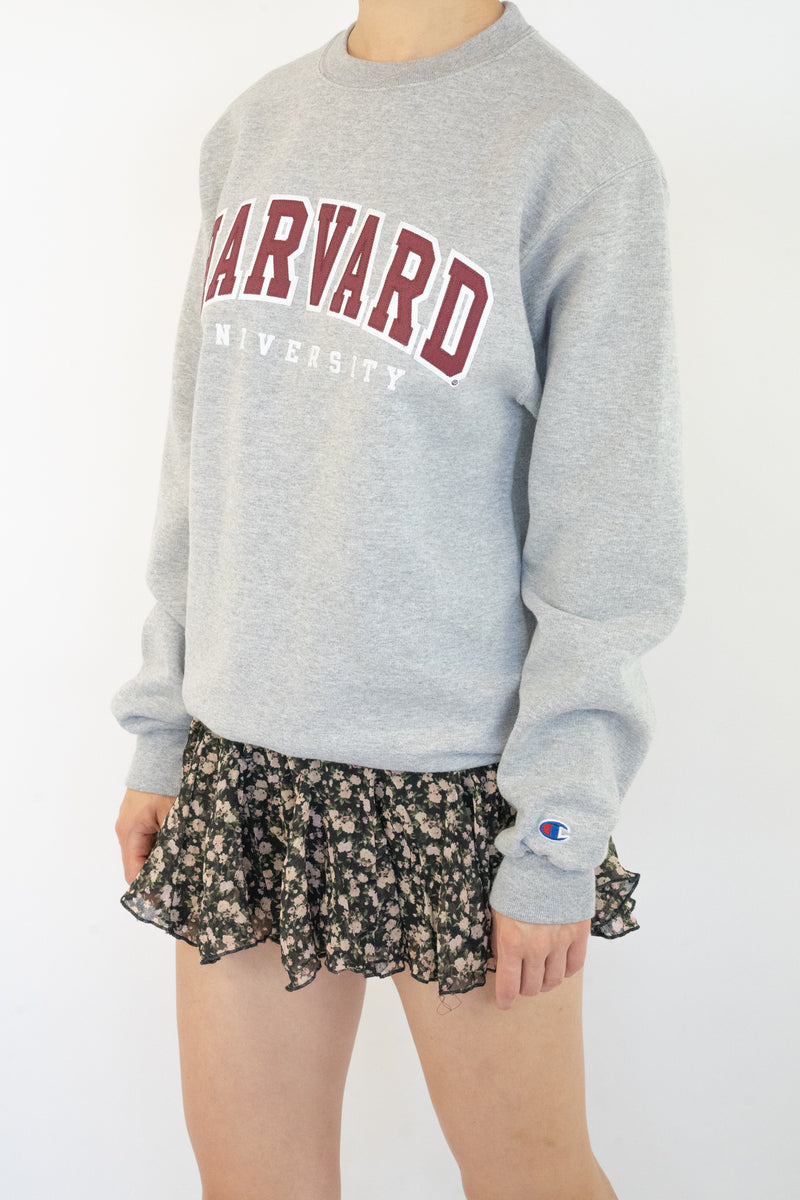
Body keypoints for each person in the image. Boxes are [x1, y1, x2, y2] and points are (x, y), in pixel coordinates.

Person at [111, 2, 687, 1197]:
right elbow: (198, 456)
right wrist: (162, 731)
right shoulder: (258, 126)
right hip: (242, 772)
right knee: (250, 1182)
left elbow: (607, 545)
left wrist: (557, 840)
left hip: (461, 796)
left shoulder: (573, 147)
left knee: (529, 1178)